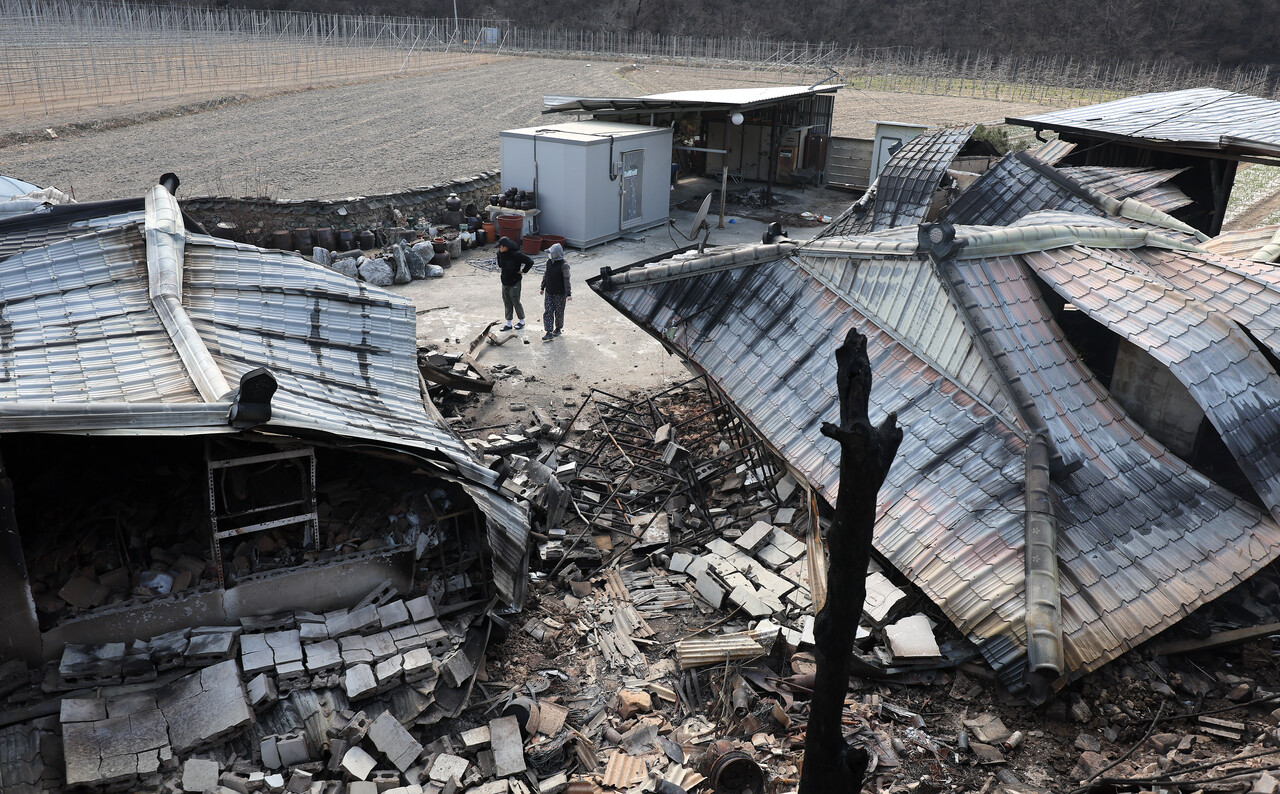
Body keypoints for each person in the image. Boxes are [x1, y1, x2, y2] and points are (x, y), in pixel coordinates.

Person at [496, 236, 534, 330]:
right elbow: (500, 265)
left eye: (500, 246)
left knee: (515, 301)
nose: (499, 248)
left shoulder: (516, 254)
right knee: (507, 301)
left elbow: (530, 261)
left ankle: (521, 321)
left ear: (505, 246)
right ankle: (508, 323)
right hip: (505, 281)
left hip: (515, 281)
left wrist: (523, 271)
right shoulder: (499, 254)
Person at [539, 243, 571, 341]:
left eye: (551, 253)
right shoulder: (549, 262)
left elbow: (567, 280)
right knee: (548, 311)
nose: (549, 255)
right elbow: (546, 275)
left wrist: (568, 294)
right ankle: (549, 331)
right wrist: (542, 287)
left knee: (559, 312)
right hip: (549, 292)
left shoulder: (564, 266)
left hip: (560, 294)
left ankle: (558, 328)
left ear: (556, 254)